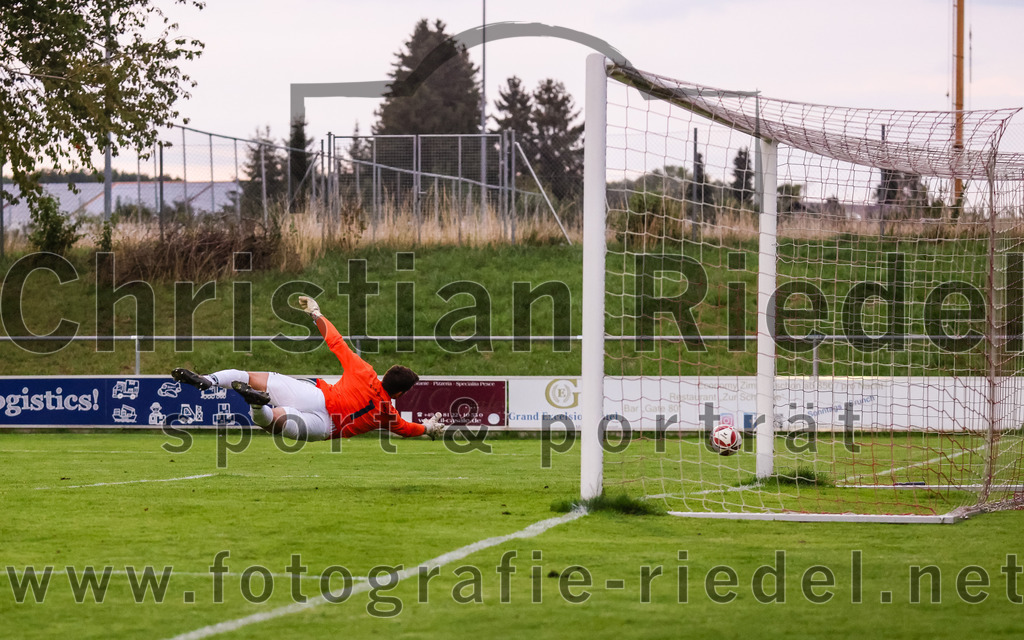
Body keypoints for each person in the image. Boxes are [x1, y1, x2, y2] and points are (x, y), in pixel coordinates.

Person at [171, 296, 446, 441]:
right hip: (325, 427)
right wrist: (428, 429)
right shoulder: (388, 411)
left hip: (317, 396)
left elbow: (336, 342)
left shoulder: (364, 371)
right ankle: (257, 406)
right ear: (399, 394)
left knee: (247, 377)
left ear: (386, 375)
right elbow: (407, 429)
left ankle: (208, 380)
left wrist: (316, 313)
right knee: (274, 421)